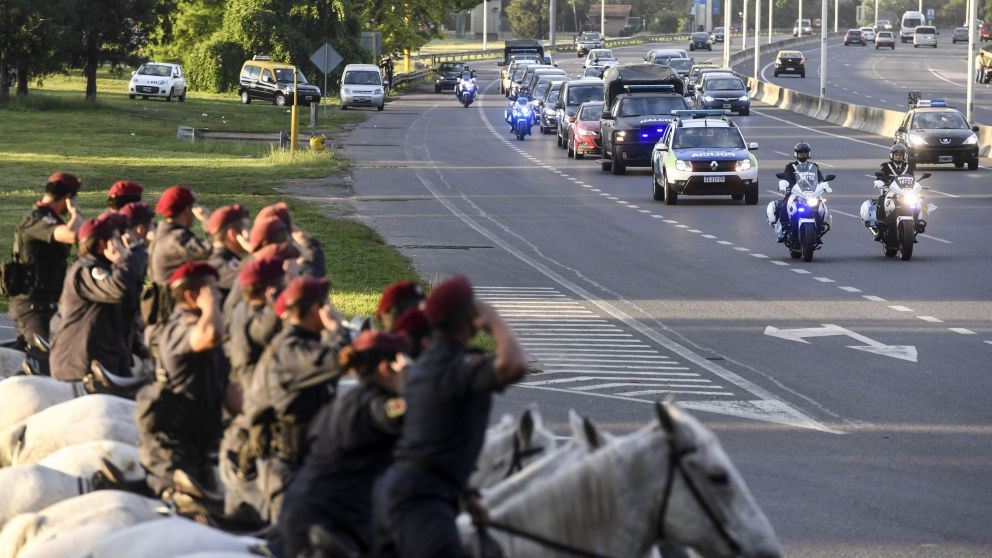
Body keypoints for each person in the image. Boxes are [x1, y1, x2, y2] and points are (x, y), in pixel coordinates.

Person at [374, 276, 527, 557]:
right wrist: (493, 320)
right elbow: (514, 364)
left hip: (401, 494)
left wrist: (467, 496)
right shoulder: (458, 366)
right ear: (470, 316)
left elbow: (436, 440)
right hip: (423, 505)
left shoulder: (426, 366)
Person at [279, 330, 411, 558]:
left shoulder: (343, 403)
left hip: (304, 516)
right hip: (327, 527)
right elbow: (401, 412)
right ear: (385, 368)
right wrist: (412, 383)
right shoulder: (374, 404)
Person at [238, 276, 347, 523]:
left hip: (300, 463)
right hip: (283, 467)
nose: (331, 309)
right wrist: (337, 329)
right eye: (325, 304)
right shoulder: (291, 349)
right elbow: (340, 359)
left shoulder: (303, 344)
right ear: (314, 309)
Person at [135, 262, 229, 502]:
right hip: (175, 454)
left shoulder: (205, 335)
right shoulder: (181, 329)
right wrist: (209, 308)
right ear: (192, 296)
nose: (219, 296)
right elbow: (211, 334)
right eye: (213, 291)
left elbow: (229, 392)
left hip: (200, 446)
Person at [219, 246, 298, 525]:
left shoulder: (244, 308)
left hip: (253, 421)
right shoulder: (258, 322)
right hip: (258, 428)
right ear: (270, 292)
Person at [49, 213, 142, 382]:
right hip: (79, 365)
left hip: (103, 360)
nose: (122, 243)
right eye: (116, 239)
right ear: (102, 244)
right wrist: (126, 258)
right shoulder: (87, 270)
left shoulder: (107, 268)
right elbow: (118, 289)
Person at [7, 172, 83, 359]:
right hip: (32, 306)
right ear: (67, 198)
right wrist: (76, 213)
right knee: (42, 362)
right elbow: (73, 234)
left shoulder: (50, 218)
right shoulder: (38, 219)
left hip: (46, 304)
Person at [145, 185, 211, 332]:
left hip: (165, 309)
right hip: (175, 315)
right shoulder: (177, 239)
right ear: (187, 210)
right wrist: (208, 222)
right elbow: (213, 253)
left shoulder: (162, 233)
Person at [775, 141, 825, 242]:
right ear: (796, 154)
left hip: (811, 192)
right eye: (800, 152)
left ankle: (819, 227)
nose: (803, 154)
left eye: (805, 152)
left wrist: (823, 183)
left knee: (821, 205)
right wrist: (787, 184)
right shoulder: (790, 166)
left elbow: (819, 178)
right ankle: (784, 228)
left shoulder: (813, 166)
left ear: (808, 154)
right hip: (795, 191)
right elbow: (786, 177)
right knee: (784, 203)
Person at [206, 204, 251, 300]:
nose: (250, 234)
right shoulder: (224, 267)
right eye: (247, 228)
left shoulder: (213, 258)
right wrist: (256, 250)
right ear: (233, 234)